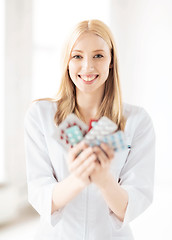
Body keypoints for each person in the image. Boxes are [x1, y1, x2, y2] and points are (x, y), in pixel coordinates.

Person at [24, 19, 155, 240]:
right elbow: (40, 194)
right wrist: (79, 178)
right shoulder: (41, 115)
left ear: (111, 60)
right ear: (67, 61)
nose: (87, 67)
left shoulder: (136, 121)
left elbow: (131, 205)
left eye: (98, 55)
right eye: (77, 56)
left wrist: (104, 180)